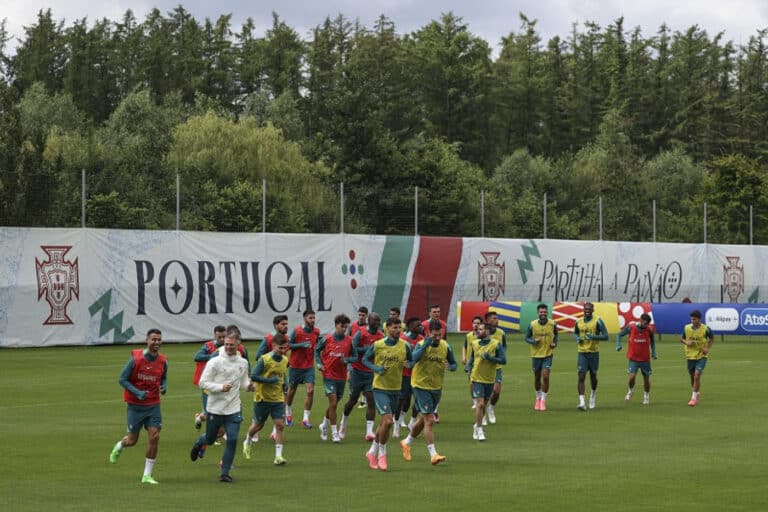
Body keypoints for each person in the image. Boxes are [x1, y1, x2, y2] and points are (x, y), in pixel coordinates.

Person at [190, 328, 253, 483]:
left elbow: (244, 382)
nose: (228, 347)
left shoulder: (243, 362)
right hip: (215, 408)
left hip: (233, 408)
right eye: (226, 344)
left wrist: (250, 386)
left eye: (232, 344)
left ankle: (225, 473)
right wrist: (220, 387)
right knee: (211, 439)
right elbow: (202, 383)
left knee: (232, 439)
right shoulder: (215, 361)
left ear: (238, 344)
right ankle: (200, 443)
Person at [108, 329, 167, 485]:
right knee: (132, 440)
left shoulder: (162, 361)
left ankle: (147, 475)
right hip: (135, 406)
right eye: (153, 339)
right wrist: (137, 392)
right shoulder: (136, 359)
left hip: (153, 405)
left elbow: (164, 377)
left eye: (159, 340)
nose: (156, 342)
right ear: (147, 341)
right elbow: (122, 379)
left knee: (155, 436)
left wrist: (163, 386)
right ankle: (120, 445)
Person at [400, 320, 457, 465]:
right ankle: (433, 454)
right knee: (429, 420)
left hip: (436, 387)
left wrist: (450, 366)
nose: (437, 338)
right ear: (428, 333)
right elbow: (414, 359)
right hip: (420, 386)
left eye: (439, 335)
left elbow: (454, 364)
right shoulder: (421, 345)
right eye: (434, 335)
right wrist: (426, 344)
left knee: (422, 420)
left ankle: (406, 442)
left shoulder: (446, 346)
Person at [362, 317, 413, 471]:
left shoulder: (405, 346)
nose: (398, 330)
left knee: (384, 423)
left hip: (395, 389)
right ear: (388, 328)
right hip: (379, 388)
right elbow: (365, 359)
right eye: (395, 327)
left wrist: (409, 364)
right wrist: (376, 368)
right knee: (389, 421)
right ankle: (382, 455)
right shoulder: (378, 345)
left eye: (400, 328)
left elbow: (411, 362)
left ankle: (371, 451)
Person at [243, 333, 290, 465]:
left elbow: (283, 375)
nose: (283, 351)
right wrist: (269, 381)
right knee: (258, 425)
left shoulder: (285, 360)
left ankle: (278, 457)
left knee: (280, 426)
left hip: (278, 399)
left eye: (285, 348)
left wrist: (285, 385)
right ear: (273, 346)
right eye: (280, 348)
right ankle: (247, 440)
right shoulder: (265, 359)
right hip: (262, 398)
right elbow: (254, 376)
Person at [340, 313, 383, 441]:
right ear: (369, 321)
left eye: (378, 320)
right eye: (375, 320)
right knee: (353, 400)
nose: (377, 322)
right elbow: (352, 349)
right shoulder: (361, 333)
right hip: (357, 371)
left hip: (370, 372)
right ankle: (343, 422)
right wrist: (368, 350)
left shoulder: (380, 336)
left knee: (371, 400)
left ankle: (369, 432)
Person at [315, 314, 356, 443]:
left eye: (346, 327)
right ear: (336, 325)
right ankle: (334, 433)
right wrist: (319, 363)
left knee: (334, 404)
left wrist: (347, 359)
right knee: (333, 403)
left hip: (341, 377)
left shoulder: (349, 341)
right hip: (328, 375)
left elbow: (355, 357)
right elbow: (316, 350)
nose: (344, 329)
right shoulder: (327, 339)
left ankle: (323, 424)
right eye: (341, 326)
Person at [465, 322, 506, 441]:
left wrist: (490, 358)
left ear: (487, 331)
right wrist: (468, 365)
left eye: (481, 329)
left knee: (483, 406)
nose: (478, 331)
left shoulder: (496, 344)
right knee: (480, 404)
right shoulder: (475, 343)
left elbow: (503, 360)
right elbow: (472, 357)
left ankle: (476, 426)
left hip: (489, 379)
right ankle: (479, 428)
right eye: (477, 329)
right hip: (477, 377)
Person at [286, 309, 321, 429]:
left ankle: (305, 418)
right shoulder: (297, 331)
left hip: (308, 367)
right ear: (305, 318)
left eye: (314, 318)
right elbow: (288, 345)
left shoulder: (316, 332)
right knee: (292, 390)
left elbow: (317, 346)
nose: (313, 320)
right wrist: (301, 345)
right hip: (295, 366)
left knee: (310, 391)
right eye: (310, 318)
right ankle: (288, 413)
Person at [574, 302, 608, 410]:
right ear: (583, 310)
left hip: (593, 353)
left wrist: (593, 337)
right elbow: (575, 332)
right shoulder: (578, 321)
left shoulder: (598, 321)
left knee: (593, 376)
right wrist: (577, 338)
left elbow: (606, 336)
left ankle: (592, 395)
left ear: (593, 310)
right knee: (581, 376)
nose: (587, 311)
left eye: (589, 309)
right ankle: (582, 402)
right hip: (582, 352)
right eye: (585, 309)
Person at [616, 313, 657, 405]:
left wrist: (653, 352)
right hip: (633, 358)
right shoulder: (631, 327)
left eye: (647, 324)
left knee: (646, 379)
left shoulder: (649, 330)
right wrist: (618, 345)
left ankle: (646, 396)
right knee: (632, 377)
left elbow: (653, 342)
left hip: (645, 359)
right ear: (641, 320)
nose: (646, 325)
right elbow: (619, 335)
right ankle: (630, 391)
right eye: (645, 323)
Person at [393, 317, 424, 438]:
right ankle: (396, 425)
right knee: (401, 399)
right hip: (404, 375)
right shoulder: (403, 339)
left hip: (417, 375)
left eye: (420, 325)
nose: (420, 327)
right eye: (417, 325)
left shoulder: (422, 340)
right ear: (410, 327)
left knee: (417, 400)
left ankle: (411, 422)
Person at [192, 326, 227, 430]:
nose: (222, 339)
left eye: (224, 337)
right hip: (207, 382)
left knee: (222, 407)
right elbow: (197, 357)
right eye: (219, 337)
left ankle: (200, 418)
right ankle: (215, 434)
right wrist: (212, 356)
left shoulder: (229, 346)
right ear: (215, 336)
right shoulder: (208, 346)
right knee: (210, 411)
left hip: (221, 381)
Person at [525, 304, 558, 411]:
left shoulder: (552, 324)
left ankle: (543, 400)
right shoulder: (532, 324)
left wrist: (554, 343)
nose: (543, 314)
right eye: (541, 312)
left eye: (544, 312)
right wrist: (533, 341)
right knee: (537, 377)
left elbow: (556, 335)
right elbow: (526, 338)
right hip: (536, 355)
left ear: (547, 312)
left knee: (546, 376)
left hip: (548, 354)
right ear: (537, 313)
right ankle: (538, 398)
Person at [679, 310, 714, 406]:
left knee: (697, 375)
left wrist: (707, 348)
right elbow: (681, 338)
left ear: (699, 319)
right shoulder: (687, 328)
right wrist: (687, 342)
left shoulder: (706, 329)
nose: (692, 321)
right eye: (691, 319)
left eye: (694, 319)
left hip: (701, 355)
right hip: (690, 355)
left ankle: (693, 399)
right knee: (692, 376)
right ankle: (696, 391)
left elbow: (711, 338)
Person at [484, 310, 507, 424]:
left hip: (496, 366)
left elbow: (504, 347)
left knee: (497, 391)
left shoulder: (501, 333)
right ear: (487, 320)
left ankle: (491, 408)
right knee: (485, 394)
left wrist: (501, 355)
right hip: (483, 367)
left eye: (497, 318)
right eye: (494, 318)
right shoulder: (482, 332)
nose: (496, 320)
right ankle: (482, 413)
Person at [350, 306, 369, 409]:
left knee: (364, 377)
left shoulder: (367, 327)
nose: (361, 317)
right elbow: (349, 338)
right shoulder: (352, 326)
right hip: (353, 356)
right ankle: (353, 395)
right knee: (350, 378)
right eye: (359, 315)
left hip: (364, 357)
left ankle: (363, 399)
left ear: (366, 316)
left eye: (363, 315)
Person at [463, 316, 483, 410]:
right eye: (474, 323)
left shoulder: (483, 336)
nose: (476, 325)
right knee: (471, 383)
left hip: (480, 362)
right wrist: (464, 357)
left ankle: (481, 399)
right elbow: (465, 346)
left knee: (479, 382)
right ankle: (474, 401)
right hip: (470, 363)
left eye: (478, 323)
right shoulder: (469, 336)